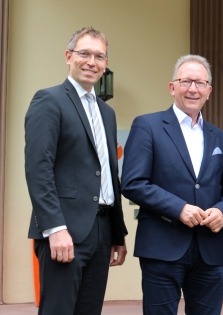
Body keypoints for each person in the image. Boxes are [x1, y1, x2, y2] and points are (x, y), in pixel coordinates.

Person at [121, 54, 223, 315]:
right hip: (163, 247)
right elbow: (132, 182)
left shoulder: (219, 137)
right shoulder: (148, 126)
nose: (193, 89)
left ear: (209, 90)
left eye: (200, 83)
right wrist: (178, 208)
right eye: (186, 81)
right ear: (172, 87)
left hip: (210, 251)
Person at [24, 27, 128, 315]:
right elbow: (38, 168)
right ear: (68, 56)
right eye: (84, 53)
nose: (91, 62)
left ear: (106, 63)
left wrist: (117, 235)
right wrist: (55, 228)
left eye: (99, 56)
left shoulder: (107, 113)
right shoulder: (49, 100)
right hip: (64, 230)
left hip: (102, 231)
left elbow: (108, 174)